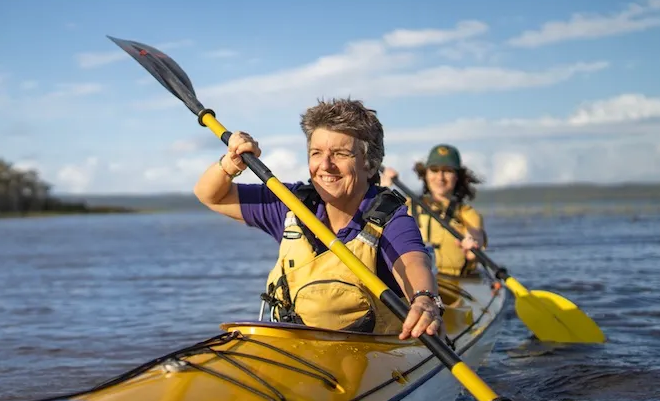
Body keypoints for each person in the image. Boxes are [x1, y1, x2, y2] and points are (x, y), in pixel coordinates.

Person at [193, 97, 445, 341]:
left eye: (340, 154)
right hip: (297, 352)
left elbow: (413, 262)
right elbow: (211, 196)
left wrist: (423, 298)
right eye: (316, 153)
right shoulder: (290, 203)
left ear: (370, 165)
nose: (325, 165)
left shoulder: (390, 217)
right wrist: (231, 163)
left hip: (373, 358)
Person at [379, 144, 486, 277]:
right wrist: (383, 188)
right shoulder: (405, 205)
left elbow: (476, 236)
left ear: (457, 176)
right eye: (434, 170)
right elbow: (374, 221)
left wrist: (473, 245)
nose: (440, 177)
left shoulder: (468, 213)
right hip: (414, 280)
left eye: (447, 171)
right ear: (425, 174)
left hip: (456, 283)